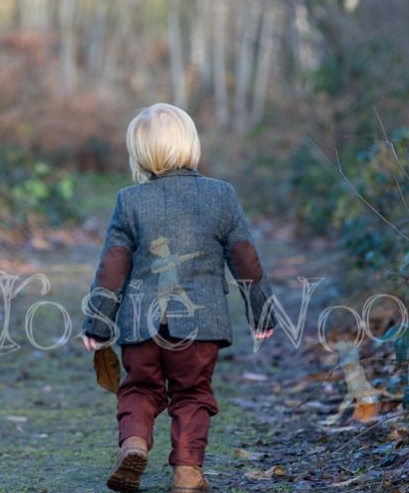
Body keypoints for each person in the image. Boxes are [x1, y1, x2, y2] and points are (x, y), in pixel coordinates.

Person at [80, 103, 277, 492]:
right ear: (191, 144)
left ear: (140, 154)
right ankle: (187, 471)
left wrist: (98, 322)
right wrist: (262, 312)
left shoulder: (130, 200)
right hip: (200, 326)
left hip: (141, 324)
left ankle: (134, 443)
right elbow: (245, 260)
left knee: (139, 388)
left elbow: (112, 267)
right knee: (192, 393)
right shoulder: (221, 196)